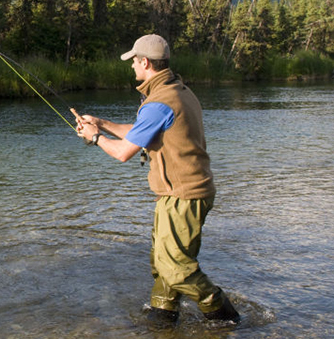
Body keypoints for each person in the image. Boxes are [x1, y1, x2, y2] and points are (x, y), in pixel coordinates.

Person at [74, 34, 240, 326]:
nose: (132, 67)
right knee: (162, 260)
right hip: (180, 192)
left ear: (146, 62)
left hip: (184, 195)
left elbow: (124, 152)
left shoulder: (160, 102)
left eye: (134, 61)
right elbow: (142, 132)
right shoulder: (177, 91)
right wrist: (102, 123)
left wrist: (95, 137)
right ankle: (162, 315)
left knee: (175, 266)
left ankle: (224, 315)